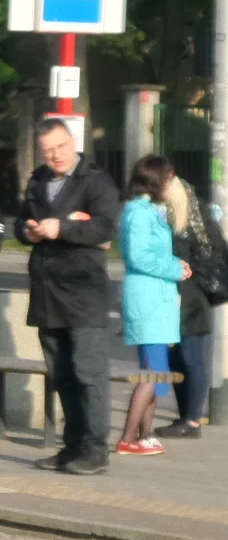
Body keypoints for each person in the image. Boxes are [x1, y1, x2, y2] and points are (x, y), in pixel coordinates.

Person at [22, 118, 121, 475]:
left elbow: (107, 226)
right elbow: (23, 221)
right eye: (48, 150)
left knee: (88, 371)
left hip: (83, 291)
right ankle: (72, 445)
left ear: (73, 143)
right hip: (47, 291)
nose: (55, 156)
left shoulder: (95, 180)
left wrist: (63, 227)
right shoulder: (38, 180)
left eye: (61, 148)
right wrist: (29, 231)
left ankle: (96, 449)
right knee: (61, 373)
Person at [115, 157, 188, 457]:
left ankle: (145, 435)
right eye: (169, 178)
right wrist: (174, 268)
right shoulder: (139, 212)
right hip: (148, 299)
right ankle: (128, 437)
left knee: (153, 370)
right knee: (153, 373)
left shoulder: (151, 211)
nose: (173, 184)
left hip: (157, 298)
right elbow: (140, 257)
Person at [164, 172, 223, 440]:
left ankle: (193, 420)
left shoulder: (195, 209)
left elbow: (214, 251)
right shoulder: (162, 211)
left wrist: (192, 272)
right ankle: (184, 417)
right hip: (174, 291)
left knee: (191, 356)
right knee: (176, 357)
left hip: (194, 294)